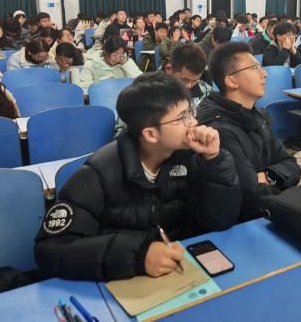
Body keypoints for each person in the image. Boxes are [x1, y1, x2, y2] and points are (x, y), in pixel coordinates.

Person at [34, 72, 241, 281]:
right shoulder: (98, 174)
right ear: (150, 134)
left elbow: (218, 221)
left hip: (178, 274)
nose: (193, 122)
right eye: (182, 118)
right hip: (121, 281)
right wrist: (139, 255)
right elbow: (51, 250)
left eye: (190, 112)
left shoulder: (190, 157)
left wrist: (215, 160)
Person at [196, 43, 301, 221]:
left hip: (268, 210)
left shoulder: (257, 115)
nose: (264, 74)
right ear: (231, 81)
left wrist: (268, 176)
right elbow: (250, 195)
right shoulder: (218, 129)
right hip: (245, 222)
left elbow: (292, 164)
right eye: (254, 68)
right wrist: (280, 179)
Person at [165, 44, 212, 110]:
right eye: (184, 80)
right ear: (169, 69)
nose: (189, 86)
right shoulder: (155, 96)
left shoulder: (207, 92)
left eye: (195, 80)